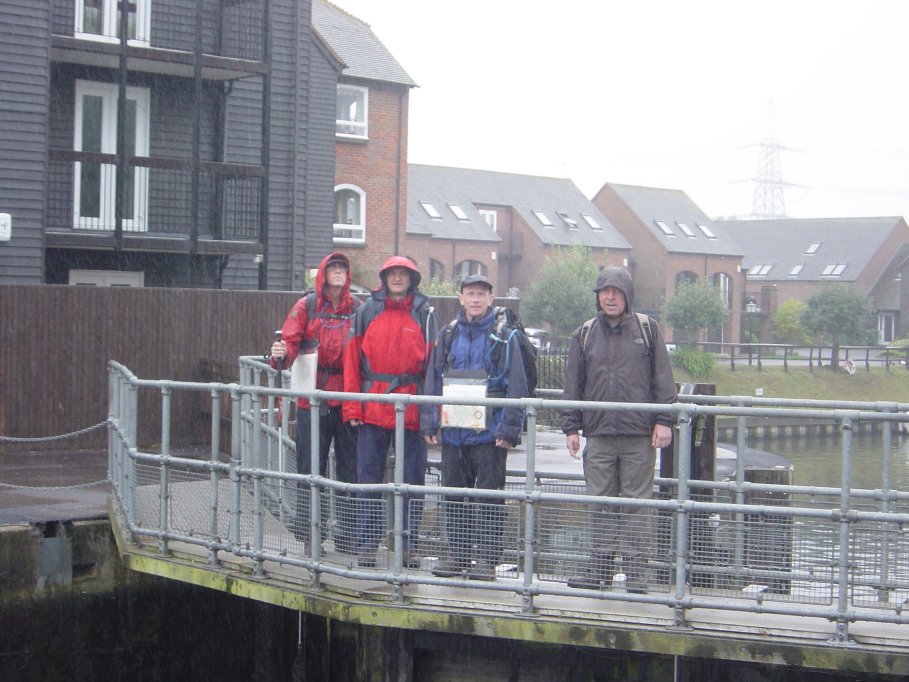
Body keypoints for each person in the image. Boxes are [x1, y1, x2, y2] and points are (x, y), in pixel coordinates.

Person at [561, 266, 677, 594]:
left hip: (638, 436)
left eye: (617, 291)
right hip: (598, 435)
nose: (610, 297)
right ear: (597, 296)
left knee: (639, 505)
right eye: (604, 291)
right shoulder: (583, 334)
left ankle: (638, 574)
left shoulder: (648, 330)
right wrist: (571, 427)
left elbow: (663, 380)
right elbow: (573, 386)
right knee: (599, 503)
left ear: (627, 296)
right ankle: (598, 569)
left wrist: (663, 421)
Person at [421, 274, 529, 581]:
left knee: (490, 497)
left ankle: (487, 559)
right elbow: (433, 379)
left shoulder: (504, 336)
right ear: (461, 298)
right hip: (454, 432)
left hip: (490, 434)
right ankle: (457, 554)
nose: (476, 299)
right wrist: (430, 420)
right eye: (470, 293)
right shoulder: (449, 334)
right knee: (453, 496)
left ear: (492, 299)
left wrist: (509, 429)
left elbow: (516, 384)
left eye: (481, 294)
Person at [342, 256, 437, 568]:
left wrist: (429, 416)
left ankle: (407, 546)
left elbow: (433, 369)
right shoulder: (367, 311)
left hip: (411, 406)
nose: (398, 278)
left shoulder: (424, 313)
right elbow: (352, 361)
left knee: (412, 480)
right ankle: (367, 545)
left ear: (412, 278)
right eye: (392, 273)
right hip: (373, 407)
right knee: (368, 478)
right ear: (384, 277)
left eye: (403, 273)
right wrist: (353, 406)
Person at [270, 252, 359, 552]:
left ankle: (347, 536)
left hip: (346, 399)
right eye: (333, 268)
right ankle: (311, 536)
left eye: (342, 268)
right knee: (311, 469)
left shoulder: (357, 308)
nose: (338, 272)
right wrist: (280, 355)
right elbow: (290, 342)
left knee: (349, 469)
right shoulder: (306, 306)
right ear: (323, 273)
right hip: (313, 399)